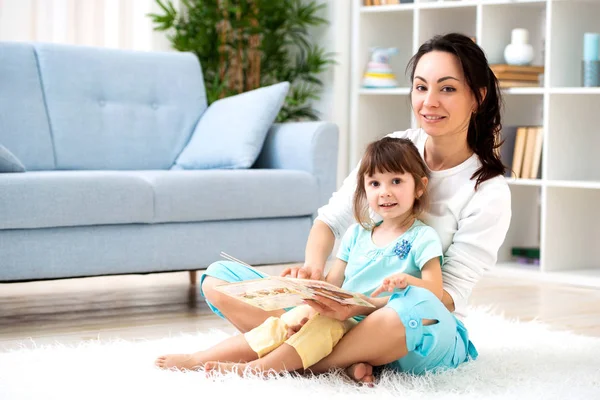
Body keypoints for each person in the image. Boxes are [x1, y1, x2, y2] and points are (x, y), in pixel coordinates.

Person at [196, 32, 512, 383]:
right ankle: (348, 356)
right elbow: (330, 221)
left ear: (477, 98)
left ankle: (297, 362)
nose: (429, 101)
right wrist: (313, 276)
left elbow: (448, 295)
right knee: (218, 278)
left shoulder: (488, 190)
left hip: (417, 328)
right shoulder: (396, 148)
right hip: (344, 314)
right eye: (421, 87)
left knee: (411, 310)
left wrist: (361, 306)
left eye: (447, 89)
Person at [155, 137, 453, 376]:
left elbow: (435, 290)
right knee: (286, 323)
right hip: (342, 317)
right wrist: (308, 293)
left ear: (419, 186)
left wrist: (408, 280)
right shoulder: (357, 234)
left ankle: (257, 370)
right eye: (375, 183)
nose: (384, 192)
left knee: (322, 327)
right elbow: (334, 285)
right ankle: (199, 358)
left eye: (396, 182)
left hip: (378, 321)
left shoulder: (422, 237)